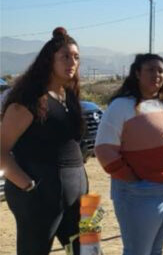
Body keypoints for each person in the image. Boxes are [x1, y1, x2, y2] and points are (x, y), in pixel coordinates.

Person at [0, 27, 87, 254]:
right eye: (65, 56)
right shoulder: (29, 99)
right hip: (40, 196)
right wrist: (28, 186)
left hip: (78, 193)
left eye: (76, 57)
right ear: (49, 60)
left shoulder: (69, 96)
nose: (72, 62)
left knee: (89, 250)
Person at [95, 53, 163, 255]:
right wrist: (133, 180)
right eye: (150, 70)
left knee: (156, 249)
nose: (157, 74)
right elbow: (104, 148)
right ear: (137, 73)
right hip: (139, 192)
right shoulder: (122, 106)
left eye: (161, 71)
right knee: (138, 251)